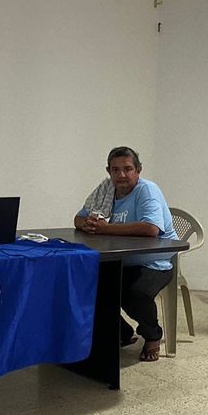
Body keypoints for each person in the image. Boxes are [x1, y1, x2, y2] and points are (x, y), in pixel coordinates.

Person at [74, 146, 177, 362]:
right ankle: (122, 333)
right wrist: (87, 224)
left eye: (128, 169)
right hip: (120, 260)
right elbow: (78, 218)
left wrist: (105, 228)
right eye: (115, 170)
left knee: (134, 293)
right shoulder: (105, 191)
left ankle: (152, 335)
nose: (121, 175)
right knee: (85, 285)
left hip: (155, 261)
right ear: (108, 171)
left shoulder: (146, 190)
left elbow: (151, 229)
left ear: (138, 170)